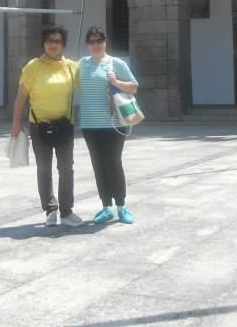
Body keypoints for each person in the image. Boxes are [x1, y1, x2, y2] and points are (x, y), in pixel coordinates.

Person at [11, 25, 83, 227]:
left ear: (63, 44)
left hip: (64, 126)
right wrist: (16, 122)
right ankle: (50, 209)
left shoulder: (71, 66)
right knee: (44, 169)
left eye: (58, 41)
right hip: (39, 126)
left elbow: (87, 85)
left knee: (66, 168)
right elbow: (21, 97)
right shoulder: (33, 67)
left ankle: (67, 211)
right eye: (50, 40)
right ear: (43, 43)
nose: (53, 44)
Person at [76, 26, 140, 225]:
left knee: (113, 164)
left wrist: (117, 82)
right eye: (92, 41)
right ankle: (106, 207)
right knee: (98, 165)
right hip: (89, 124)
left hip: (113, 124)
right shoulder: (81, 65)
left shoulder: (115, 63)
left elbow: (134, 86)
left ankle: (121, 206)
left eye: (99, 41)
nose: (96, 45)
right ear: (87, 44)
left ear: (105, 42)